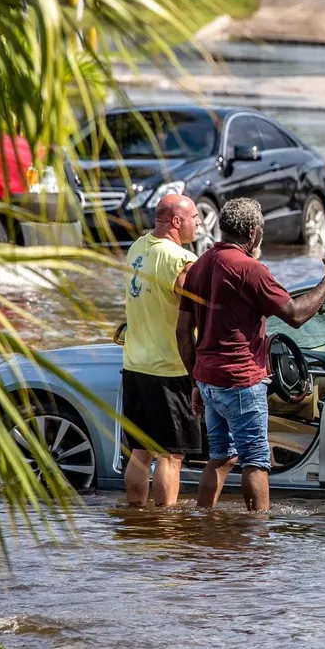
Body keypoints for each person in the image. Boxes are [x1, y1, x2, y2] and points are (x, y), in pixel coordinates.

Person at [176, 198, 325, 511]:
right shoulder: (250, 269)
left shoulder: (200, 265)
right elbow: (297, 315)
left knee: (220, 456)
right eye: (260, 230)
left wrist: (195, 380)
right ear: (252, 232)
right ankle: (257, 536)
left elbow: (182, 333)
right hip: (240, 381)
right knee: (256, 460)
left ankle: (204, 524)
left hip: (208, 379)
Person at [121, 194, 200, 507]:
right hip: (169, 368)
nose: (199, 222)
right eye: (195, 216)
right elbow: (198, 310)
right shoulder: (180, 260)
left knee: (141, 450)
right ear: (177, 222)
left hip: (134, 365)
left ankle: (135, 513)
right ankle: (165, 525)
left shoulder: (137, 247)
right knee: (170, 455)